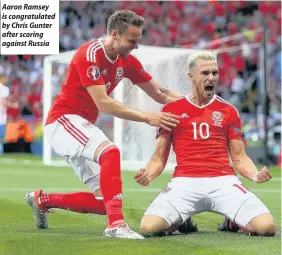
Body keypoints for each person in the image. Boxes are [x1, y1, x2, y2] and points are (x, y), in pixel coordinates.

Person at [24, 10, 187, 239]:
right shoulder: (89, 54)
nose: (136, 46)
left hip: (80, 126)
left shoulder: (127, 61)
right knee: (110, 152)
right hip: (63, 121)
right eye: (132, 41)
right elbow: (103, 103)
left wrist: (195, 105)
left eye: (138, 41)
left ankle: (42, 200)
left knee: (106, 202)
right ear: (114, 34)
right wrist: (148, 117)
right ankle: (116, 225)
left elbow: (160, 92)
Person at [135, 51, 276, 237]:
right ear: (190, 76)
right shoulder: (171, 110)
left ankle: (231, 222)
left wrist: (255, 175)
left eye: (215, 73)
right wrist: (149, 174)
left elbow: (240, 157)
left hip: (223, 181)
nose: (211, 78)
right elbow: (159, 157)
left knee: (266, 228)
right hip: (184, 183)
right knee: (149, 228)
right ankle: (181, 220)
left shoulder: (229, 111)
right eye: (205, 73)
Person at [0, 73, 19, 154]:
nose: (7, 80)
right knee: (1, 136)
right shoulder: (4, 89)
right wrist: (14, 105)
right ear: (2, 78)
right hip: (1, 116)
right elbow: (3, 102)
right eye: (5, 78)